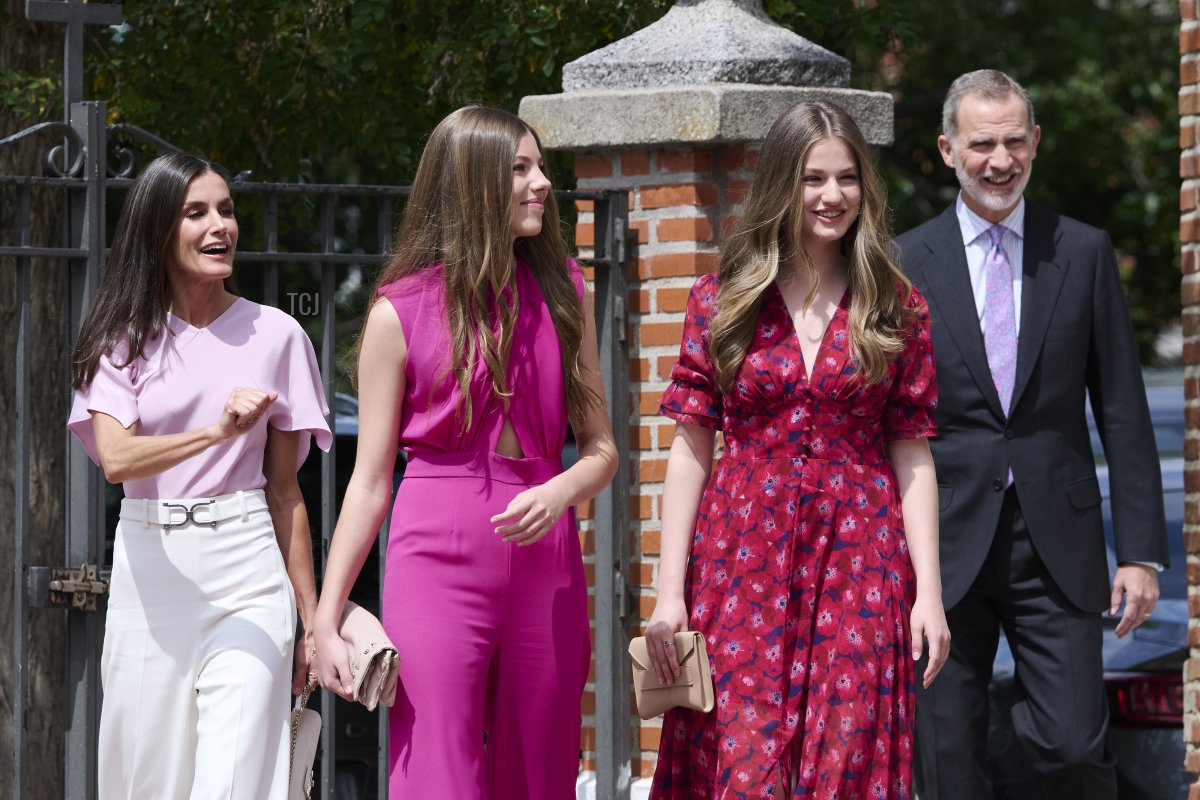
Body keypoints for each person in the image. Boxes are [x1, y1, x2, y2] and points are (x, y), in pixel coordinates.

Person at [310, 106, 618, 799]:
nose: (542, 183)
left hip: (547, 559)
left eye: (540, 167)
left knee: (543, 773)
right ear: (472, 181)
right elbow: (368, 483)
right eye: (521, 169)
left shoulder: (566, 292)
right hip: (435, 557)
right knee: (437, 772)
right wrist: (326, 618)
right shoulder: (398, 311)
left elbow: (601, 449)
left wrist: (561, 490)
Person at [644, 100, 950, 799]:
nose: (833, 196)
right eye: (814, 178)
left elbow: (913, 453)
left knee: (846, 763)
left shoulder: (896, 306)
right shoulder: (721, 301)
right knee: (743, 768)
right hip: (738, 561)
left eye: (847, 179)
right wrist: (668, 593)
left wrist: (927, 593)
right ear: (784, 183)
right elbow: (690, 446)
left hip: (861, 564)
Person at [897, 69, 1169, 800]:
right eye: (982, 143)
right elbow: (885, 419)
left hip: (1056, 544)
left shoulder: (1081, 251)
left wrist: (1140, 551)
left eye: (1015, 140)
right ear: (948, 149)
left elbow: (1122, 407)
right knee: (947, 765)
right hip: (942, 546)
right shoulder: (900, 264)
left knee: (1075, 747)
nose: (1000, 159)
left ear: (1036, 142)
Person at [67, 152, 332, 799]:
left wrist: (310, 620)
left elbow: (285, 490)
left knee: (235, 780)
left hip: (245, 571)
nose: (221, 226)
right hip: (148, 572)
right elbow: (118, 459)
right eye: (197, 212)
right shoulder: (120, 341)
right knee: (145, 783)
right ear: (159, 228)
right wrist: (216, 433)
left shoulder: (278, 336)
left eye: (226, 210)